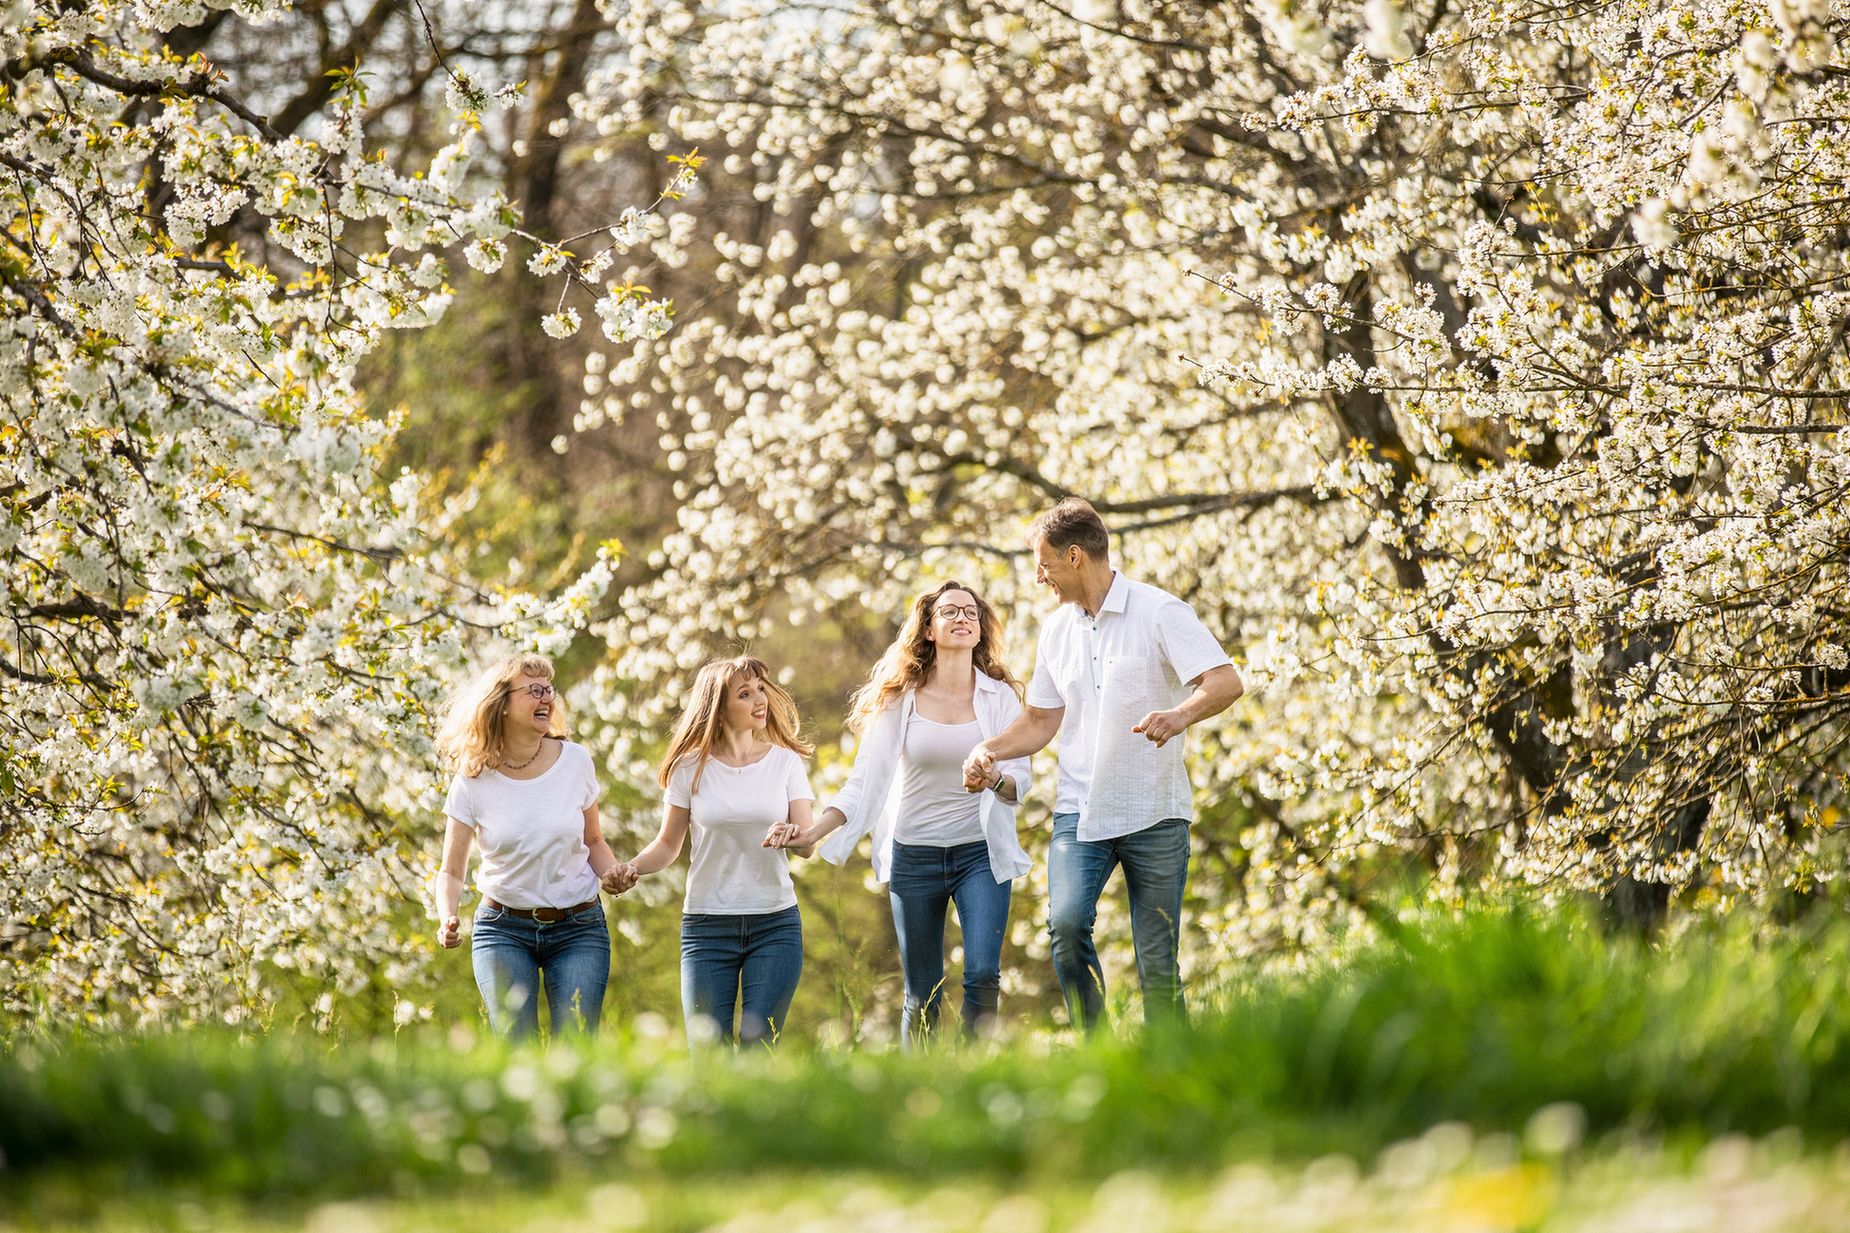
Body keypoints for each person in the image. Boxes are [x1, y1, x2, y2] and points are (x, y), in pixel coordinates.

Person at [963, 498, 1244, 1029]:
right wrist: (990, 749)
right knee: (1065, 930)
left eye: (1043, 564)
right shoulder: (1056, 630)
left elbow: (1226, 681)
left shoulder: (1159, 612)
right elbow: (1042, 721)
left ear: (1074, 557)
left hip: (1155, 813)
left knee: (1157, 962)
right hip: (1079, 813)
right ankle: (1099, 1050)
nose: (1039, 577)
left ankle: (1170, 1068)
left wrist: (1181, 714)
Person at [773, 581, 1031, 1044]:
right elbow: (864, 782)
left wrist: (992, 779)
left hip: (980, 855)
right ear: (928, 629)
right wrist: (814, 832)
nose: (962, 618)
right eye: (950, 611)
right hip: (915, 858)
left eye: (971, 613)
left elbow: (1018, 783)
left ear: (980, 629)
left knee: (982, 976)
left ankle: (974, 1079)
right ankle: (924, 1083)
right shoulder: (900, 699)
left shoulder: (1001, 698)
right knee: (923, 990)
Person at [611, 655, 815, 1047]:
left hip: (775, 924)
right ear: (718, 709)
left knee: (759, 1045)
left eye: (760, 690)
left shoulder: (785, 764)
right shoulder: (689, 769)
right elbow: (668, 845)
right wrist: (630, 868)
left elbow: (806, 842)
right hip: (707, 927)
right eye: (745, 693)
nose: (760, 700)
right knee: (708, 1052)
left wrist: (793, 835)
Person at [433, 652, 631, 1039]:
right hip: (502, 930)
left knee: (574, 1045)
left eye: (549, 690)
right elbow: (451, 870)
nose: (547, 699)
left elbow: (593, 841)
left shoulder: (576, 761)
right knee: (516, 1046)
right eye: (533, 690)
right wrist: (447, 916)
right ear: (501, 703)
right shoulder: (473, 779)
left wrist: (611, 872)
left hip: (579, 928)